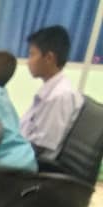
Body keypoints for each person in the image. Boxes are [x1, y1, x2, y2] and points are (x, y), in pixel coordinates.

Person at [20, 25, 85, 161]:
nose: (28, 62)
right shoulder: (50, 91)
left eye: (32, 54)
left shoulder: (60, 96)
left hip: (34, 165)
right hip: (25, 155)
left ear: (49, 58)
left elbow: (40, 147)